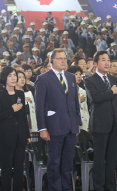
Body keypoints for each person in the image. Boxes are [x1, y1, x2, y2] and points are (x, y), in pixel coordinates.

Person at [35, 48, 81, 191]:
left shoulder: (71, 77)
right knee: (54, 163)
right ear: (51, 61)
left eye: (64, 58)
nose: (63, 61)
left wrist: (77, 122)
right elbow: (39, 105)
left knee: (68, 163)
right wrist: (42, 128)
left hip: (71, 127)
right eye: (59, 58)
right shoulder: (43, 78)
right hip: (53, 127)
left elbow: (74, 101)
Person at [84, 50, 117, 191]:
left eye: (108, 60)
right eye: (103, 60)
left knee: (112, 158)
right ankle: (98, 187)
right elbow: (95, 98)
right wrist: (111, 92)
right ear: (95, 64)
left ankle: (111, 186)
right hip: (100, 124)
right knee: (100, 159)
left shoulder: (113, 79)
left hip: (114, 124)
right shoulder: (89, 80)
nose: (107, 63)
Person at [0, 67, 30, 190]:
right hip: (6, 137)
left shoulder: (20, 94)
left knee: (19, 168)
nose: (14, 78)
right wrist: (11, 110)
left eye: (15, 75)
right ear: (4, 78)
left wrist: (27, 134)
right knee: (6, 168)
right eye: (10, 75)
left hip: (20, 136)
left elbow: (24, 115)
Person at [67, 65, 89, 131]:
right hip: (73, 123)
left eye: (80, 74)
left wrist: (88, 124)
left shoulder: (83, 91)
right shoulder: (66, 90)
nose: (79, 76)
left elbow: (85, 109)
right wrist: (79, 100)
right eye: (76, 74)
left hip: (84, 123)